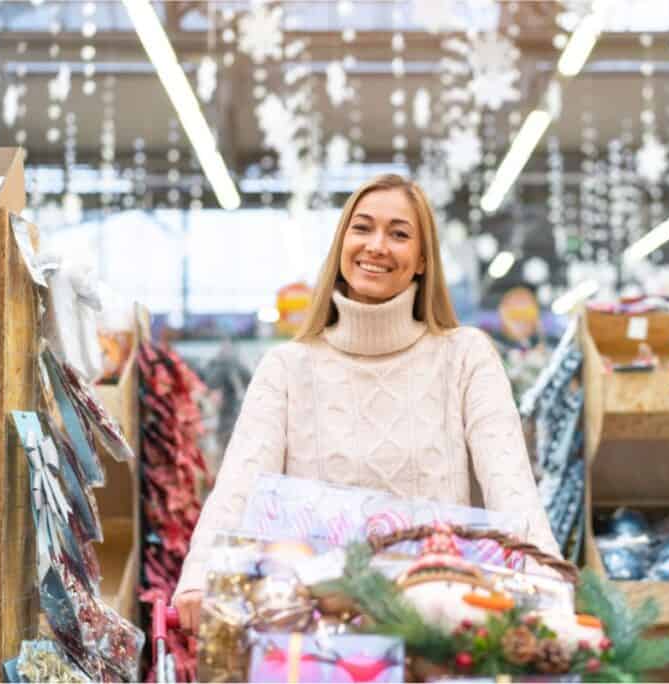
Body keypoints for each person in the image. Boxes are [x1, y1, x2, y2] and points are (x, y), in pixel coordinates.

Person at [173, 173, 561, 631]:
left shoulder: (464, 356)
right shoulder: (287, 367)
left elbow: (510, 480)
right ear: (342, 245)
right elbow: (238, 483)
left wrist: (548, 580)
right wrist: (198, 575)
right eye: (362, 228)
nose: (376, 245)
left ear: (421, 259)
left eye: (399, 234)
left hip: (437, 627)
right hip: (315, 630)